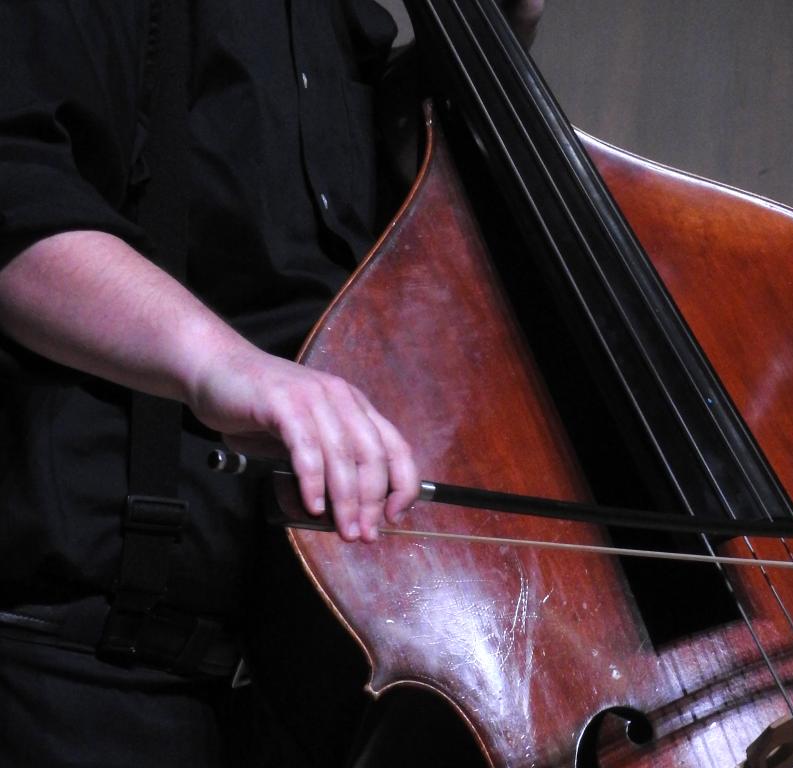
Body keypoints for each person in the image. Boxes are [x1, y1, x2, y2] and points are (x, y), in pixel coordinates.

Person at [0, 1, 542, 765]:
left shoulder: (337, 26)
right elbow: (16, 189)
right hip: (79, 665)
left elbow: (392, 222)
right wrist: (227, 364)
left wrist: (494, 26)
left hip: (282, 678)